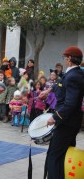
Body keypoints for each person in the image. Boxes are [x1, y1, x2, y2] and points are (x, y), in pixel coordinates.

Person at [41, 46, 84, 179]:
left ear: (70, 58)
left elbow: (70, 103)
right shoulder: (75, 73)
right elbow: (61, 82)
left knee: (54, 156)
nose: (64, 60)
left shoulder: (73, 76)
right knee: (66, 153)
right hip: (72, 122)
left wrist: (55, 117)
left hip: (66, 122)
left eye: (65, 58)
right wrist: (49, 90)